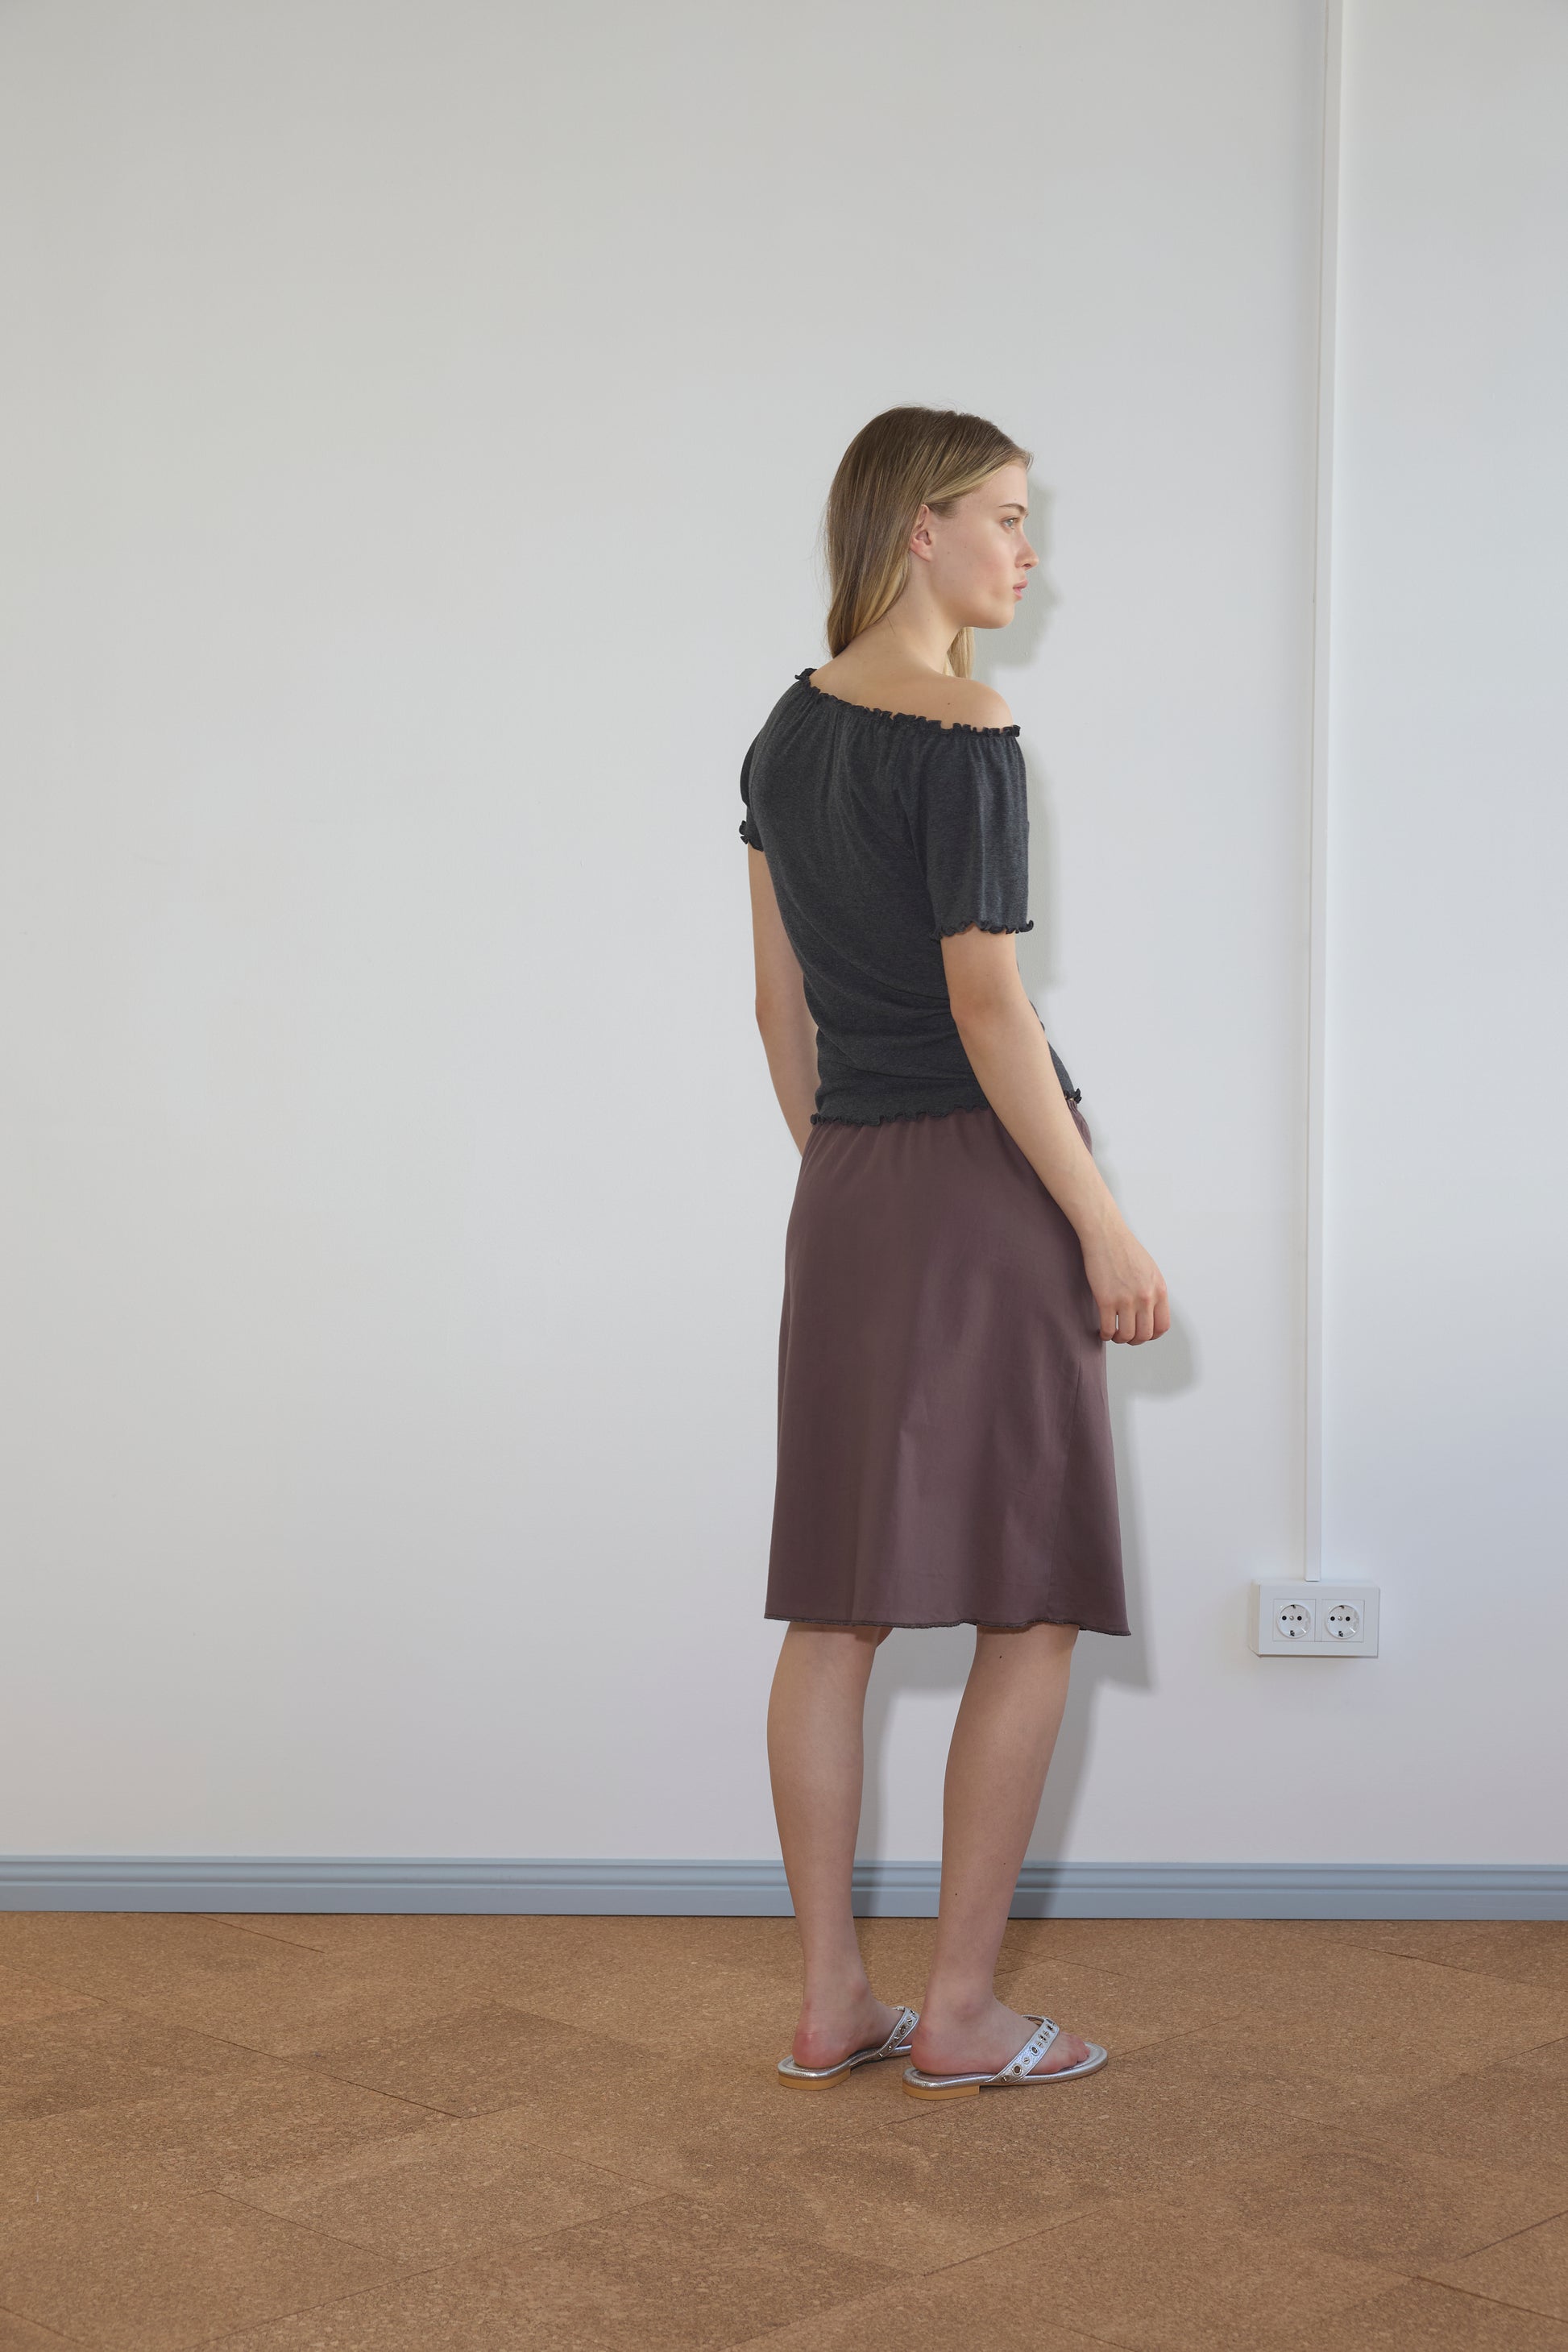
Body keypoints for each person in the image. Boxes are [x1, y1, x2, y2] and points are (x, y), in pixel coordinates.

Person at [737, 406, 1170, 2101]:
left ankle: (832, 1996)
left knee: (833, 1610)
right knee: (1034, 1595)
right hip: (984, 1190)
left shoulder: (781, 732)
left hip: (846, 1186)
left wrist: (850, 1180)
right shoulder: (967, 724)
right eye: (1002, 514)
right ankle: (969, 2012)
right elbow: (990, 1007)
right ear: (915, 528)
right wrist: (1098, 1214)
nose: (1025, 547)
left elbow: (774, 1007)